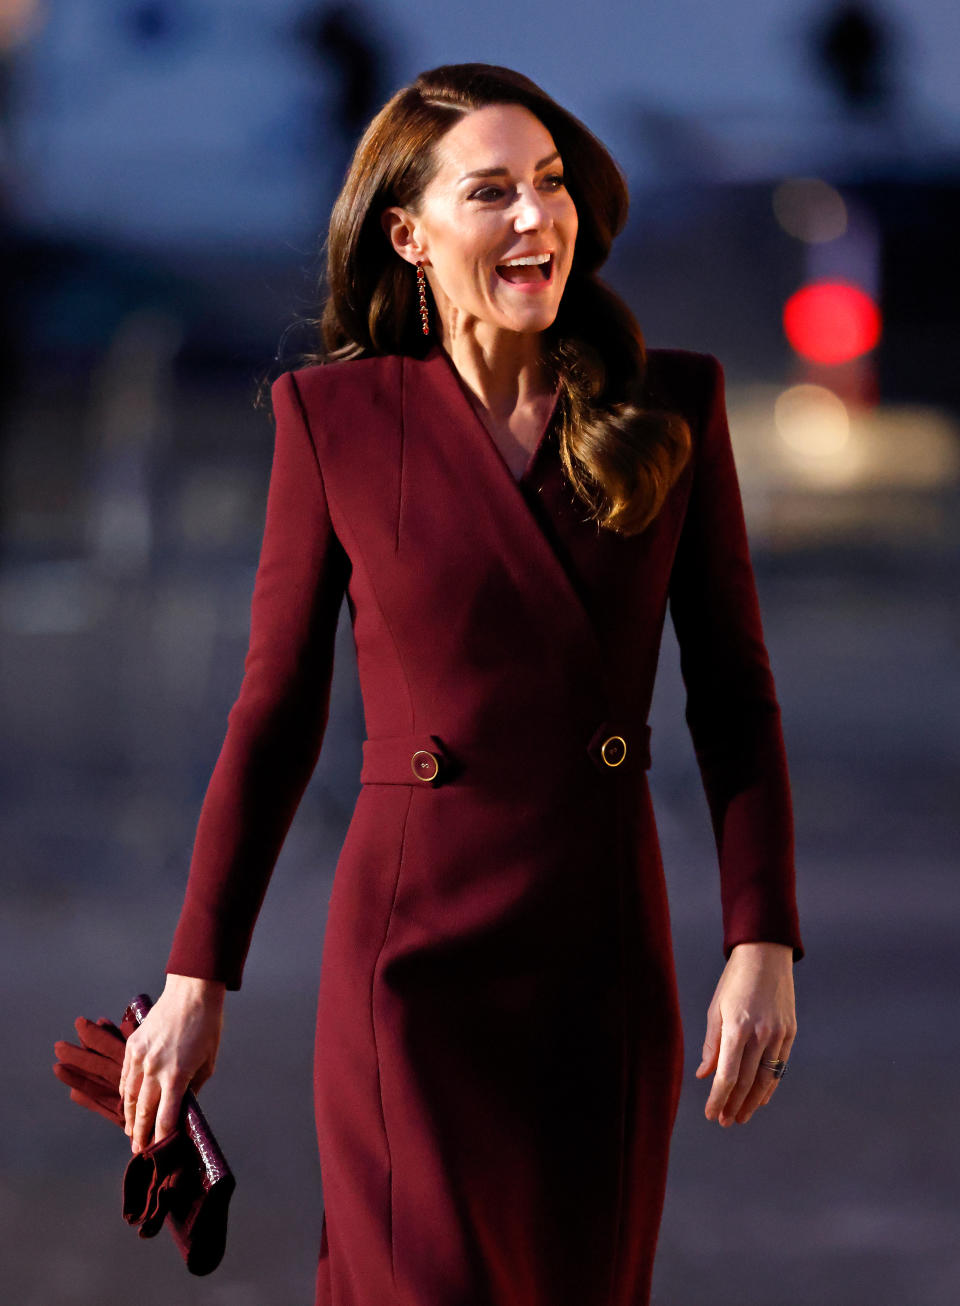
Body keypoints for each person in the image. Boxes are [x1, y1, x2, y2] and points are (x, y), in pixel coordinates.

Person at [119, 62, 803, 1306]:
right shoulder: (329, 418)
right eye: (491, 191)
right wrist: (195, 975)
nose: (537, 218)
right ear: (410, 233)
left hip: (602, 955)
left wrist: (762, 938)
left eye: (551, 186)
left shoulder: (670, 406)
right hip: (408, 971)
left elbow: (736, 697)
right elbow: (274, 712)